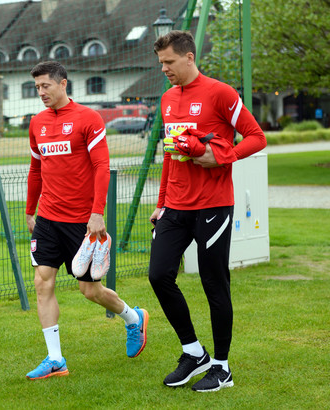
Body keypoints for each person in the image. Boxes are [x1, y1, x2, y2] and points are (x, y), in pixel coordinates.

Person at [149, 31, 266, 392]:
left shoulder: (220, 93)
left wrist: (223, 155)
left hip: (214, 205)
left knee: (214, 283)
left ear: (189, 56)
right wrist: (161, 203)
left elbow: (256, 136)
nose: (164, 69)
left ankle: (222, 367)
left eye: (169, 62)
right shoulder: (167, 99)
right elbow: (171, 154)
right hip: (176, 205)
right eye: (161, 63)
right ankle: (193, 352)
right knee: (159, 275)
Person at [24, 61, 149, 380]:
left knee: (90, 291)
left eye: (45, 86)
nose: (41, 92)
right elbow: (36, 169)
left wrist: (97, 212)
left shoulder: (88, 119)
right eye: (37, 87)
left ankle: (133, 318)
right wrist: (29, 210)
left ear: (63, 84)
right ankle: (55, 360)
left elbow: (101, 166)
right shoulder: (36, 123)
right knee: (42, 282)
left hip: (82, 221)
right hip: (48, 219)